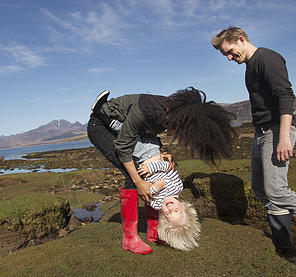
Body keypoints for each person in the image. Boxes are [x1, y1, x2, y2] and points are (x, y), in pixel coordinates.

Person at [211, 26, 296, 270]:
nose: (228, 57)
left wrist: (284, 137)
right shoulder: (249, 68)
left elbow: (285, 96)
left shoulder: (267, 58)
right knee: (261, 189)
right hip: (261, 134)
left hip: (277, 131)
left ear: (241, 39)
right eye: (224, 54)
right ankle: (285, 245)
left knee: (277, 191)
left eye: (230, 51)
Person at [87, 87, 235, 254]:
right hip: (101, 126)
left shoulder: (171, 112)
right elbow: (123, 146)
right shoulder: (150, 109)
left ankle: (154, 231)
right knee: (132, 176)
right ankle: (130, 239)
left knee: (141, 174)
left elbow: (146, 132)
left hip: (128, 134)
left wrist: (164, 150)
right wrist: (139, 182)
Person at [98, 115, 201, 251]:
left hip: (141, 156)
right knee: (144, 129)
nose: (170, 208)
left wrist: (154, 188)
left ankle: (106, 118)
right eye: (176, 210)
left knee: (127, 133)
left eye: (168, 214)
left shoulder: (157, 204)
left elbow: (145, 196)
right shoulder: (177, 187)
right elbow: (168, 167)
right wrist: (151, 168)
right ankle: (126, 113)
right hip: (154, 151)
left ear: (162, 217)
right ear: (183, 206)